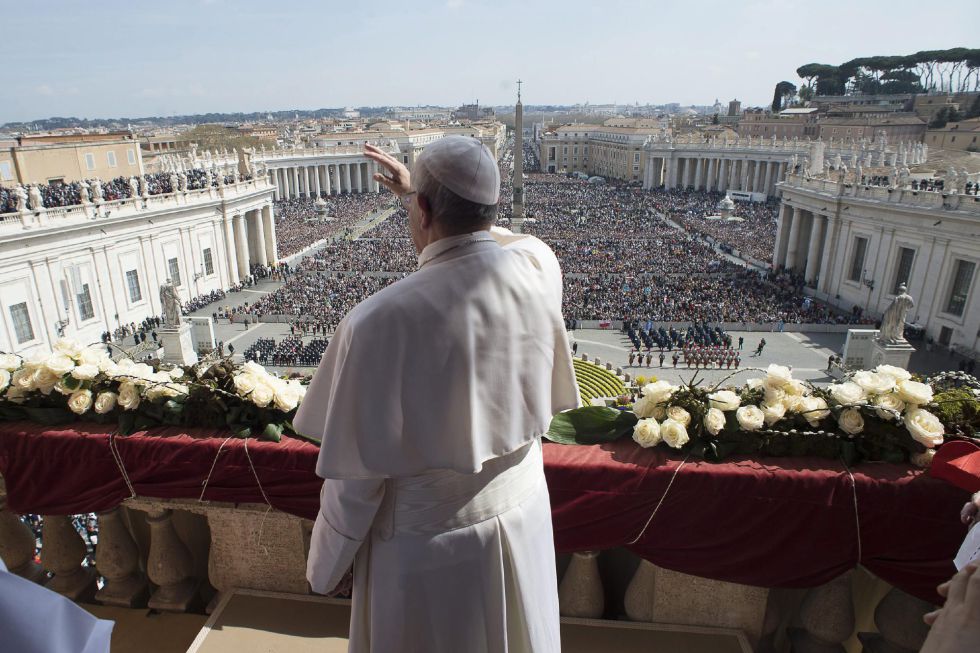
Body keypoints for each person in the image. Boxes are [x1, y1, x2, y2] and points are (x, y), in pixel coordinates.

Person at [295, 137, 578, 653]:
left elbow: (355, 484)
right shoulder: (539, 268)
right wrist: (425, 194)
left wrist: (324, 568)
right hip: (524, 518)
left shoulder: (375, 322)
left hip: (429, 554)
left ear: (422, 210)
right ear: (493, 209)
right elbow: (510, 240)